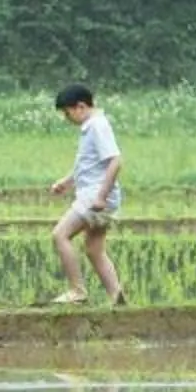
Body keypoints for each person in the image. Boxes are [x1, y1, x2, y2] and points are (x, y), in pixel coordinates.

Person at [47, 85, 126, 306]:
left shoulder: (97, 126)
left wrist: (101, 197)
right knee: (94, 249)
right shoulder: (91, 127)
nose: (67, 118)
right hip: (98, 196)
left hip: (95, 198)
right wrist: (66, 181)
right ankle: (116, 298)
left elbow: (115, 161)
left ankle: (77, 291)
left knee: (60, 235)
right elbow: (89, 165)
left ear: (81, 107)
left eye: (67, 112)